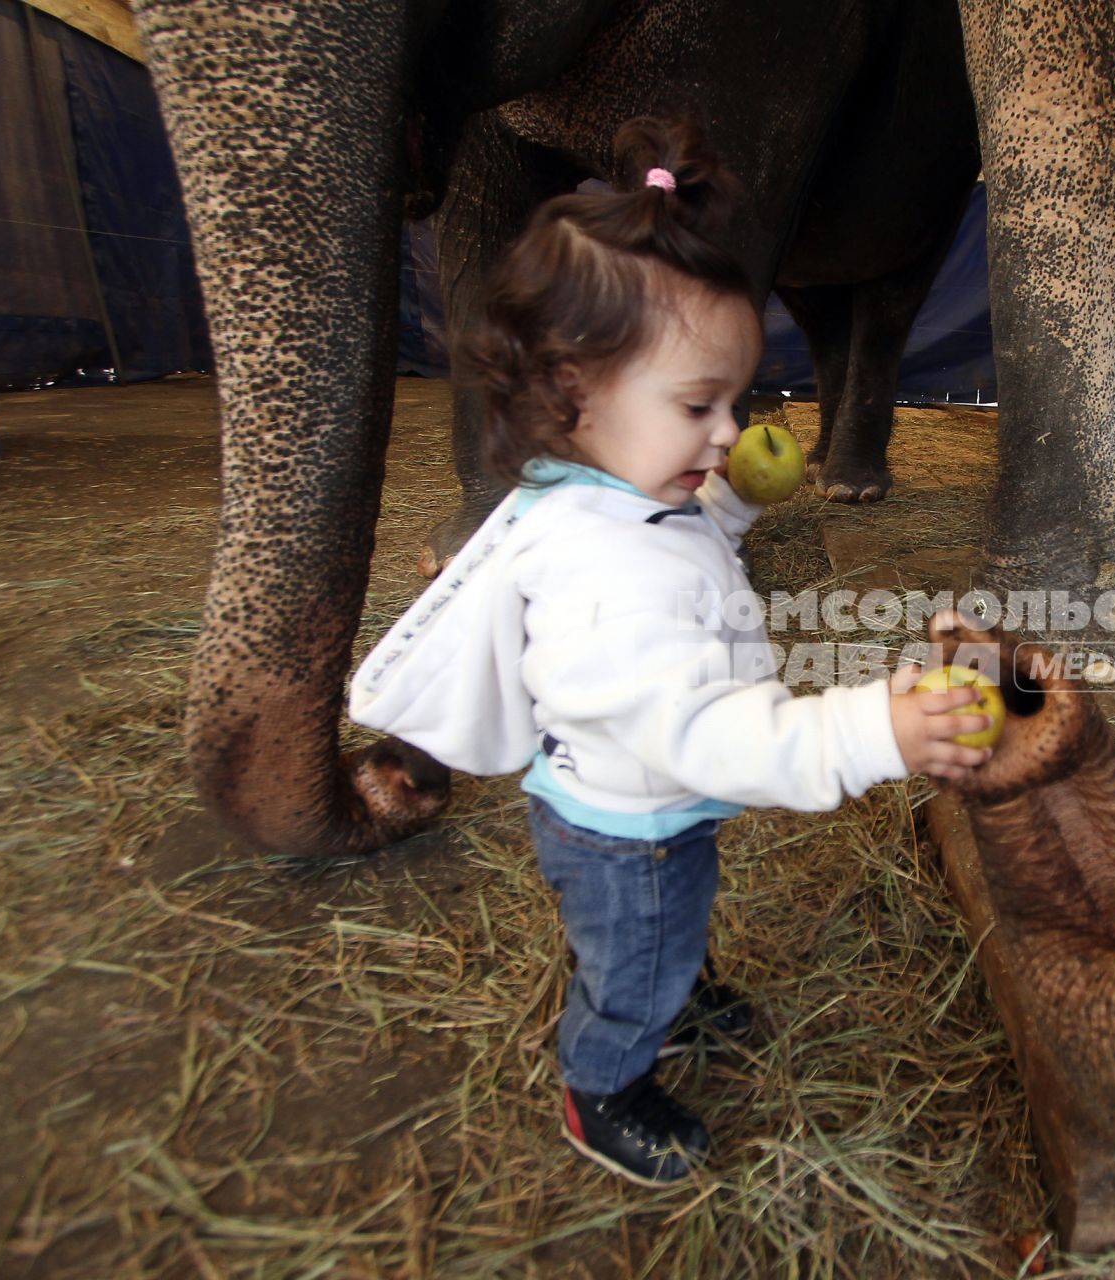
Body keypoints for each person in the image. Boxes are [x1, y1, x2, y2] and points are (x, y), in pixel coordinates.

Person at [349, 117, 993, 1187]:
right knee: (631, 962)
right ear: (572, 393)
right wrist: (872, 727)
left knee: (662, 931)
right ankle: (601, 1083)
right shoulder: (604, 586)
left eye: (731, 400)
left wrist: (730, 494)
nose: (725, 426)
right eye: (698, 405)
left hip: (628, 810)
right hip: (629, 830)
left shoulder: (607, 486)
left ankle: (671, 976)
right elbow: (705, 734)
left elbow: (684, 546)